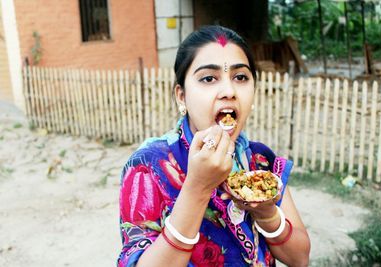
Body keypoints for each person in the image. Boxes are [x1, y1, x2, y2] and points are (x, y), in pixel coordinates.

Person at [117, 25, 310, 267]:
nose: (229, 91)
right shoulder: (148, 166)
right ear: (181, 96)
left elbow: (300, 258)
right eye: (208, 78)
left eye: (240, 77)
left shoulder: (260, 163)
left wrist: (267, 214)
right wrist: (197, 188)